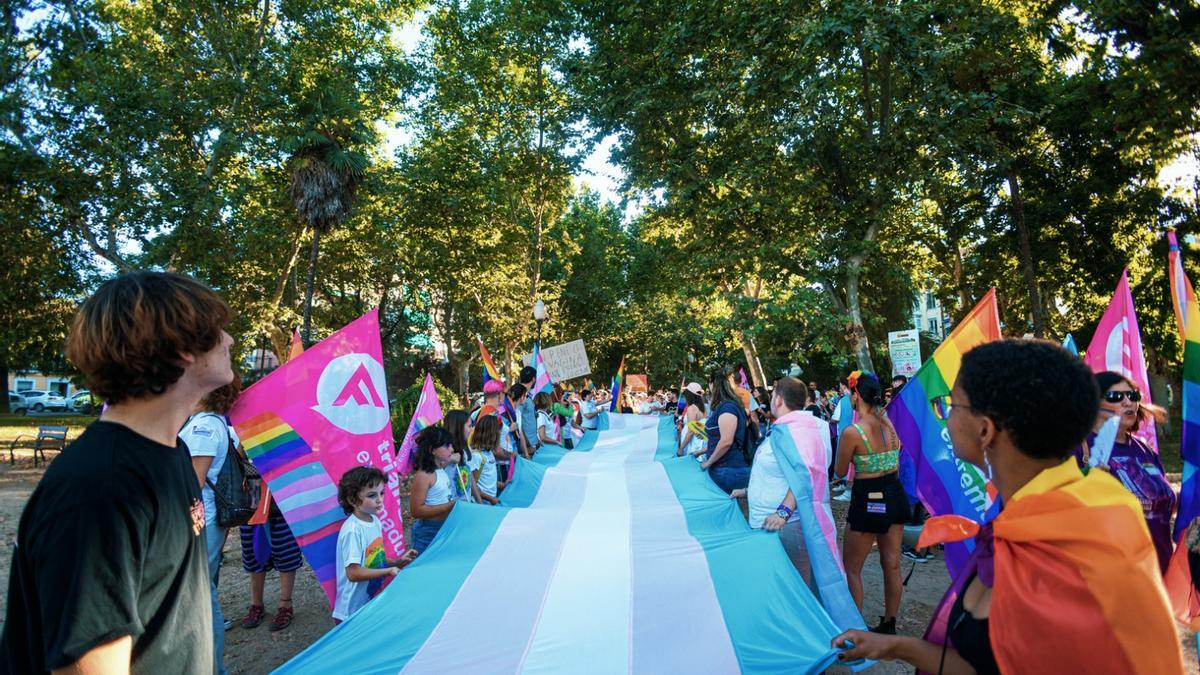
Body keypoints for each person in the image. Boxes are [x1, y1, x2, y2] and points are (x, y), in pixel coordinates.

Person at [833, 339, 1184, 674]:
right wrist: (892, 647)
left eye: (949, 405)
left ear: (985, 431)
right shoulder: (1045, 510)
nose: (944, 416)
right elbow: (989, 663)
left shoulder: (1066, 542)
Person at [2, 272, 230, 673]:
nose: (229, 341)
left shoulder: (172, 452)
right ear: (181, 349)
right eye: (218, 331)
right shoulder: (100, 490)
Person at [1076, 371, 1175, 571]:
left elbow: (1161, 501)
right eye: (1115, 397)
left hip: (1159, 572)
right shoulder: (1078, 448)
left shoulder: (1144, 449)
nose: (1128, 403)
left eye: (1133, 396)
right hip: (1111, 577)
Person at [834, 371, 909, 634]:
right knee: (892, 563)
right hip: (894, 495)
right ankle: (889, 623)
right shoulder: (889, 425)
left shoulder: (852, 432)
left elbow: (840, 472)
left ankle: (856, 629)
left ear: (856, 395)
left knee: (852, 568)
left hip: (868, 499)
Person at [180, 377, 242, 674]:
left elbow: (193, 484)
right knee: (206, 589)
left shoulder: (203, 428)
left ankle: (215, 668)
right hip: (209, 518)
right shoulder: (215, 423)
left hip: (199, 519)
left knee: (203, 595)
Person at [332, 467, 417, 624]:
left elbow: (375, 559)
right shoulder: (353, 530)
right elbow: (353, 572)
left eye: (381, 493)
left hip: (367, 604)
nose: (379, 499)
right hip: (350, 612)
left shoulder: (374, 521)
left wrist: (398, 562)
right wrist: (389, 571)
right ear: (352, 500)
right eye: (372, 495)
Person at [235, 502, 303, 632]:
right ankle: (256, 604)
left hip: (280, 496)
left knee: (285, 549)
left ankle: (286, 604)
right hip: (249, 499)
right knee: (252, 550)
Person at [700, 367, 751, 494]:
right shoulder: (727, 406)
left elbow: (726, 441)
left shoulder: (727, 407)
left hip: (727, 468)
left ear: (713, 384)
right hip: (726, 468)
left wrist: (708, 462)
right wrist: (702, 451)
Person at [409, 426, 458, 553]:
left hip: (444, 527)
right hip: (428, 532)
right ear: (433, 450)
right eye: (447, 446)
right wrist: (449, 506)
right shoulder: (424, 475)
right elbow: (416, 511)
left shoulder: (440, 468)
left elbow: (452, 458)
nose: (452, 449)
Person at [444, 409, 481, 503]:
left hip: (466, 504)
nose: (472, 429)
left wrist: (480, 502)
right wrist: (449, 458)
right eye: (469, 426)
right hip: (452, 508)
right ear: (458, 428)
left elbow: (470, 476)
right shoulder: (442, 451)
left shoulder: (464, 449)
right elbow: (431, 463)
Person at [471, 415, 503, 504]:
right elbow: (471, 486)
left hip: (490, 502)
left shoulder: (489, 453)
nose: (500, 434)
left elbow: (488, 478)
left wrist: (502, 485)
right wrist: (490, 499)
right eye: (498, 431)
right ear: (492, 435)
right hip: (481, 505)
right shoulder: (477, 456)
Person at [677, 383, 708, 458]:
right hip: (699, 441)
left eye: (686, 393)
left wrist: (681, 448)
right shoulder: (703, 407)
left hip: (692, 444)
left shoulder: (692, 408)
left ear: (689, 394)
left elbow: (691, 431)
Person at [517, 366, 539, 454]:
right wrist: (527, 446)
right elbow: (518, 423)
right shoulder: (521, 395)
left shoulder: (526, 395)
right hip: (527, 447)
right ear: (533, 379)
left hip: (532, 444)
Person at [508, 384, 530, 458]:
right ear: (521, 397)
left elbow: (520, 434)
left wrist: (527, 455)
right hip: (505, 456)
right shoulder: (504, 411)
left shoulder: (518, 412)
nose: (527, 398)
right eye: (526, 396)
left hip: (515, 453)